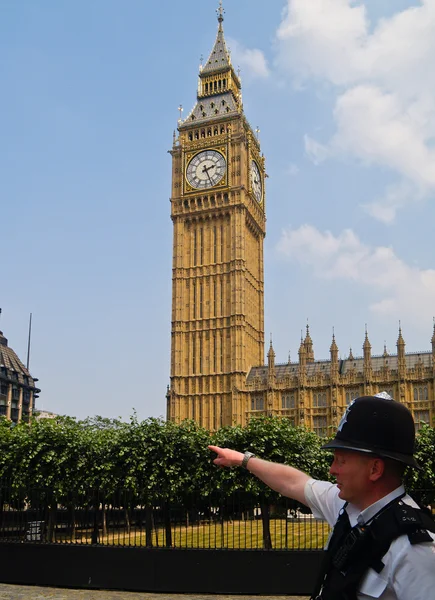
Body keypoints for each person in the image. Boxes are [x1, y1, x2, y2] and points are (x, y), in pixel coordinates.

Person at [209, 394, 435, 600]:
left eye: (340, 460)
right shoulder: (348, 507)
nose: (331, 469)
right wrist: (243, 460)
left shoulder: (415, 550)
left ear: (375, 469)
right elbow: (293, 482)